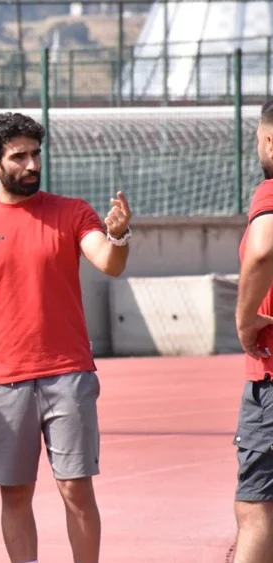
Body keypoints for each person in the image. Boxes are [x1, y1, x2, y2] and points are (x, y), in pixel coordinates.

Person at [0, 112, 132, 563]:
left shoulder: (72, 212)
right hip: (3, 378)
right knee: (14, 494)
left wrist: (119, 236)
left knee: (75, 489)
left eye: (36, 154)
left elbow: (107, 261)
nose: (31, 164)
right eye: (19, 156)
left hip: (68, 373)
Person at [232, 99, 273, 563]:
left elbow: (262, 252)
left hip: (271, 374)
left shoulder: (269, 193)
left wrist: (245, 321)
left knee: (256, 506)